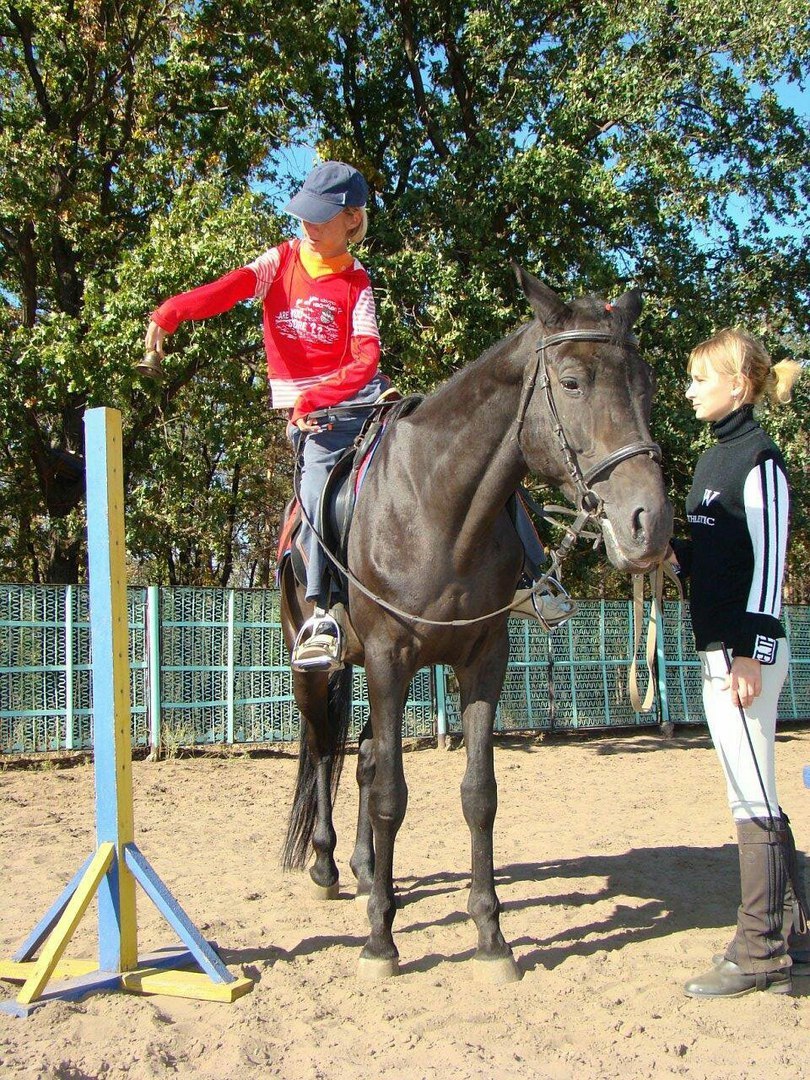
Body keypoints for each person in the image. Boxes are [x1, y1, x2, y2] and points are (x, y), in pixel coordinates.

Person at [145, 161, 387, 672]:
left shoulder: (357, 281)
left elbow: (367, 358)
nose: (308, 225)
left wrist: (321, 394)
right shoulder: (281, 262)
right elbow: (231, 287)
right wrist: (174, 311)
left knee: (451, 445)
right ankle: (321, 612)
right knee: (318, 487)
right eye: (304, 215)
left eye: (321, 217)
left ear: (351, 218)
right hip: (317, 425)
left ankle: (531, 574)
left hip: (363, 403)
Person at [668, 328, 809, 998]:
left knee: (751, 795)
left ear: (738, 385)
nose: (690, 389)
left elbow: (769, 565)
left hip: (744, 654)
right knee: (755, 791)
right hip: (720, 649)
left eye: (700, 378)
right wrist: (668, 554)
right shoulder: (710, 462)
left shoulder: (761, 461)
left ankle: (757, 950)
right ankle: (795, 934)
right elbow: (715, 561)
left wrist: (753, 652)